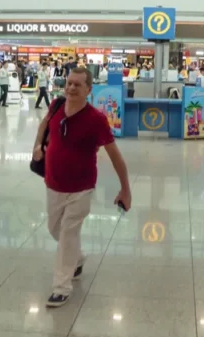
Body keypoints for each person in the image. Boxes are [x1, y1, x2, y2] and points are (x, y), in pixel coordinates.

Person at [32, 68, 131, 308]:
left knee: (67, 233)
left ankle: (61, 287)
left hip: (81, 188)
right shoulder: (56, 105)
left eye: (78, 84)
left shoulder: (96, 119)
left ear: (89, 90)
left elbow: (115, 154)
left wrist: (125, 189)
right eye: (69, 83)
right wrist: (36, 146)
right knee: (55, 229)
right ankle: (78, 258)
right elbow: (44, 125)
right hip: (53, 182)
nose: (72, 88)